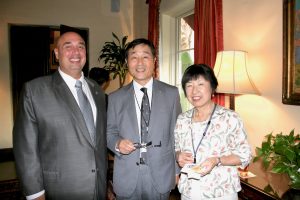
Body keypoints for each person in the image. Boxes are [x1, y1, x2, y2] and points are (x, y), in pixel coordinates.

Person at [13, 31, 107, 200]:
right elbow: (25, 148)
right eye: (68, 47)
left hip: (98, 187)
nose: (76, 52)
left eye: (80, 46)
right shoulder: (34, 91)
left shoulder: (97, 90)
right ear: (57, 54)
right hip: (59, 189)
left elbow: (98, 141)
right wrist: (35, 193)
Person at [106, 38, 182, 200]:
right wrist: (117, 143)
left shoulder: (171, 93)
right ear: (127, 62)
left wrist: (176, 171)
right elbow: (109, 132)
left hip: (161, 173)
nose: (139, 62)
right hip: (127, 173)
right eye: (134, 57)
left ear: (154, 61)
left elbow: (177, 135)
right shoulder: (115, 98)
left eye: (145, 56)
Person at [175, 64, 252, 200]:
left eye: (200, 84)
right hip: (188, 191)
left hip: (220, 192)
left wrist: (217, 160)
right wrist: (178, 155)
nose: (194, 91)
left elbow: (245, 155)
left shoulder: (229, 118)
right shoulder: (182, 119)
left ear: (212, 87)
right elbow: (176, 148)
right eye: (189, 85)